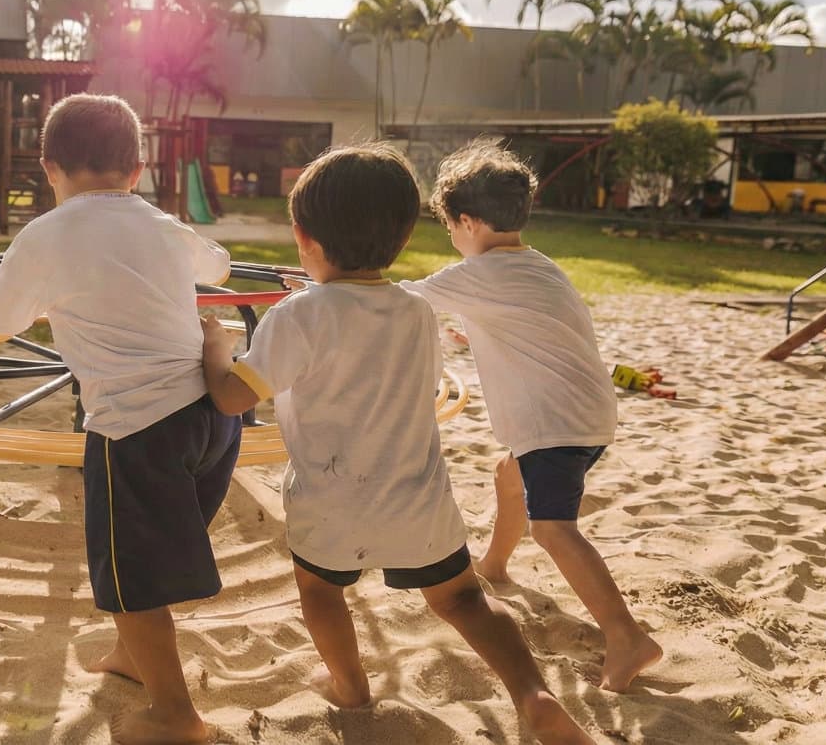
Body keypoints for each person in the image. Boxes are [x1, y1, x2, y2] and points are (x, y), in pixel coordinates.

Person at [200, 144, 594, 744]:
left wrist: (213, 351)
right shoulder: (414, 310)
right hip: (418, 498)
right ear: (405, 239)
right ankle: (532, 694)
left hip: (333, 500)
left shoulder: (295, 318)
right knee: (464, 598)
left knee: (320, 590)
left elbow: (232, 397)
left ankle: (351, 688)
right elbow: (361, 320)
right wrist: (317, 289)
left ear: (303, 237)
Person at [0, 93, 238, 745]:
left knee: (133, 578)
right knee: (143, 558)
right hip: (212, 419)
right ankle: (127, 656)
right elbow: (219, 265)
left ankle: (177, 714)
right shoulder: (162, 224)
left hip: (137, 429)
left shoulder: (47, 235)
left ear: (48, 166)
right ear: (137, 169)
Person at [401, 138, 662, 693]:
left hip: (555, 424)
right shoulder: (536, 264)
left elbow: (397, 297)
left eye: (448, 226)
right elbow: (533, 325)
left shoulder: (477, 275)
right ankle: (494, 565)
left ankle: (626, 636)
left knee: (554, 528)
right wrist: (471, 333)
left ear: (468, 222)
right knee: (507, 476)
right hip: (585, 412)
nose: (450, 237)